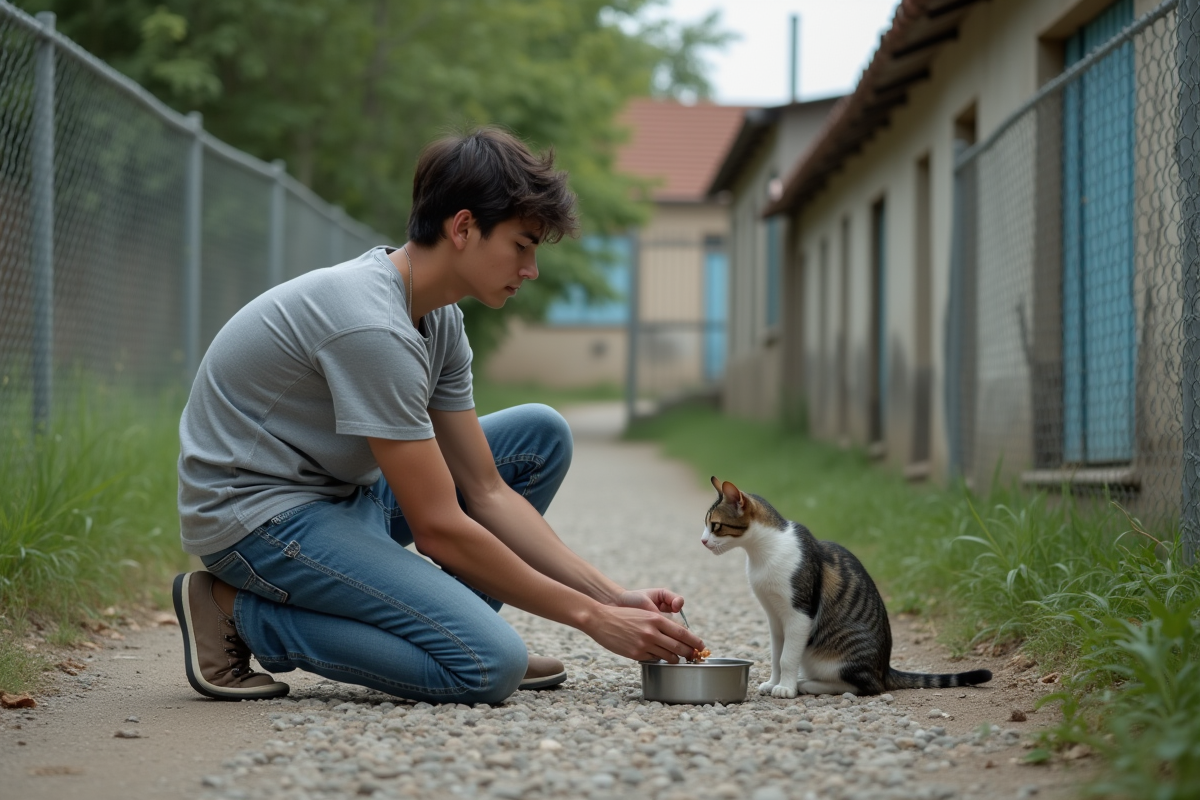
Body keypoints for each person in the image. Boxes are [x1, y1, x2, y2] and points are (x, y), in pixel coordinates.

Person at [172, 127, 704, 704]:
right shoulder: (372, 325)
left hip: (340, 496)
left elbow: (487, 489)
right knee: (489, 667)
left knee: (539, 436)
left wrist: (611, 596)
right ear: (463, 228)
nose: (531, 269)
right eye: (522, 245)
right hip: (258, 518)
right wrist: (591, 618)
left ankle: (453, 633)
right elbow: (438, 527)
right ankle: (234, 611)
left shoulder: (439, 316)